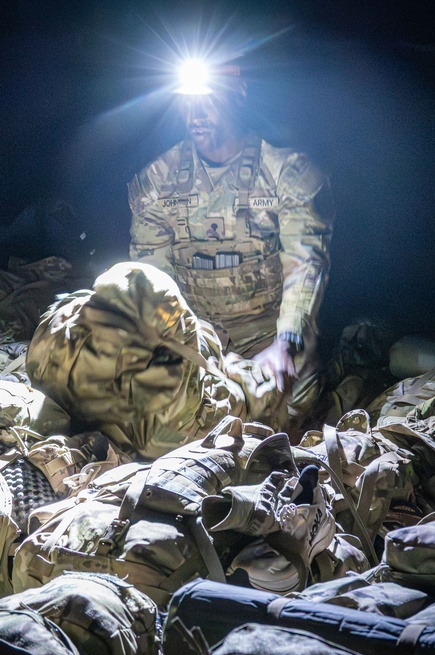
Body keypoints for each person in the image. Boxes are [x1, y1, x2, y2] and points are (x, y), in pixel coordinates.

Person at [127, 61, 334, 431]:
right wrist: (168, 343)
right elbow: (151, 274)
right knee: (152, 410)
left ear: (238, 94)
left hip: (269, 332)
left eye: (208, 101)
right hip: (194, 331)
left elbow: (305, 261)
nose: (195, 115)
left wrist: (286, 341)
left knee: (285, 411)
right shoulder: (158, 180)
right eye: (187, 103)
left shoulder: (286, 172)